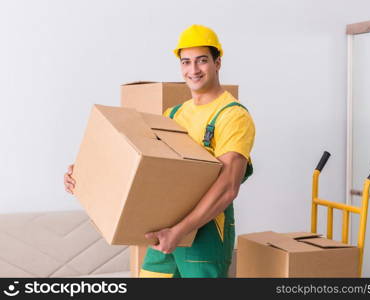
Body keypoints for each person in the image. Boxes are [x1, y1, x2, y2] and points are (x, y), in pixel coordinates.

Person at [63, 24, 255, 278]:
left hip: (205, 231)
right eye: (186, 62)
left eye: (202, 61)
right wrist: (86, 172)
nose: (193, 70)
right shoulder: (174, 114)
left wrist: (181, 230)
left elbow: (228, 187)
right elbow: (144, 168)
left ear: (217, 63)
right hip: (165, 227)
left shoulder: (232, 115)